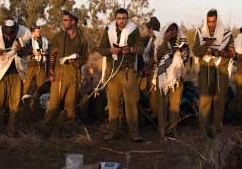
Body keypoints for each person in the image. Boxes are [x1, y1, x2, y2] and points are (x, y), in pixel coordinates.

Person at [99, 8, 145, 141]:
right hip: (113, 70)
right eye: (119, 18)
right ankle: (113, 131)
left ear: (127, 18)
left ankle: (134, 132)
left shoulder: (134, 30)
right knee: (113, 102)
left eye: (124, 18)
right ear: (115, 19)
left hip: (127, 70)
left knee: (131, 102)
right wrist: (110, 50)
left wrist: (130, 49)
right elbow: (101, 49)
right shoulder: (108, 29)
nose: (121, 21)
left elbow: (141, 48)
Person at [0, 18, 32, 139]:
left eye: (12, 34)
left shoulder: (24, 33)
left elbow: (30, 50)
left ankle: (13, 132)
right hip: (0, 73)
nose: (10, 37)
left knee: (15, 104)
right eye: (7, 34)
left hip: (16, 73)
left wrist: (22, 51)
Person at [43, 11, 89, 137]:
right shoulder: (58, 37)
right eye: (63, 20)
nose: (63, 22)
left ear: (73, 22)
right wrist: (51, 70)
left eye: (66, 20)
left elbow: (85, 58)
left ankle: (67, 132)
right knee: (53, 105)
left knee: (71, 107)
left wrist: (76, 61)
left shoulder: (81, 39)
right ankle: (46, 132)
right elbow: (52, 54)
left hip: (74, 76)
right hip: (59, 75)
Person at [192, 9, 234, 137]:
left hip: (221, 68)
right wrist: (206, 45)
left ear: (217, 20)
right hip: (205, 68)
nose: (211, 24)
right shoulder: (200, 32)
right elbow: (196, 51)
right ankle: (204, 129)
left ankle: (217, 128)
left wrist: (218, 53)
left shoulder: (227, 34)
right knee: (205, 99)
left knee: (219, 99)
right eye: (209, 22)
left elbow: (232, 53)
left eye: (213, 21)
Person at [154, 22, 190, 138]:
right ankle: (162, 129)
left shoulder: (182, 40)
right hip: (162, 76)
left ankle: (173, 128)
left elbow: (186, 56)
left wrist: (179, 53)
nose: (172, 32)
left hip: (177, 77)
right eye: (170, 30)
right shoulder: (160, 41)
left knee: (175, 104)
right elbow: (157, 57)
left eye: (174, 30)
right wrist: (165, 41)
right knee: (162, 103)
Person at [23, 25, 50, 112]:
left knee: (41, 85)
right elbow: (23, 51)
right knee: (27, 84)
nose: (39, 33)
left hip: (42, 64)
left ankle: (39, 105)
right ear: (33, 32)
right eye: (37, 31)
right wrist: (33, 53)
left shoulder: (44, 40)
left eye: (39, 31)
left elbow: (48, 50)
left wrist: (45, 53)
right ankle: (22, 102)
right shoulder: (29, 40)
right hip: (32, 64)